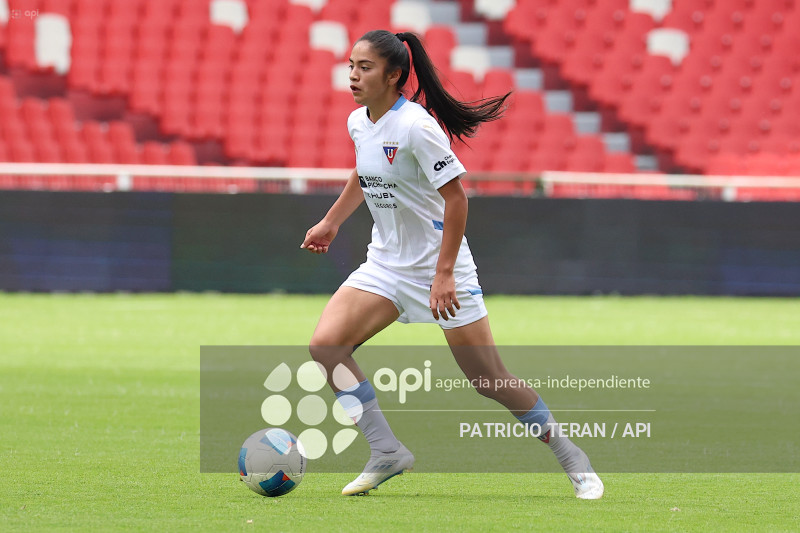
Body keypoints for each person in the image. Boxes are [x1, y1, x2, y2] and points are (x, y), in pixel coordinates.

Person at [301, 29, 603, 499]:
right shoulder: (359, 122)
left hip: (440, 269)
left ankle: (572, 458)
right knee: (326, 347)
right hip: (385, 265)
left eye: (365, 67)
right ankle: (386, 451)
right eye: (351, 66)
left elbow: (457, 200)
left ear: (394, 75)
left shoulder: (417, 126)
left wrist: (443, 275)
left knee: (489, 380)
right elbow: (363, 172)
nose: (354, 75)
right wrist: (331, 222)